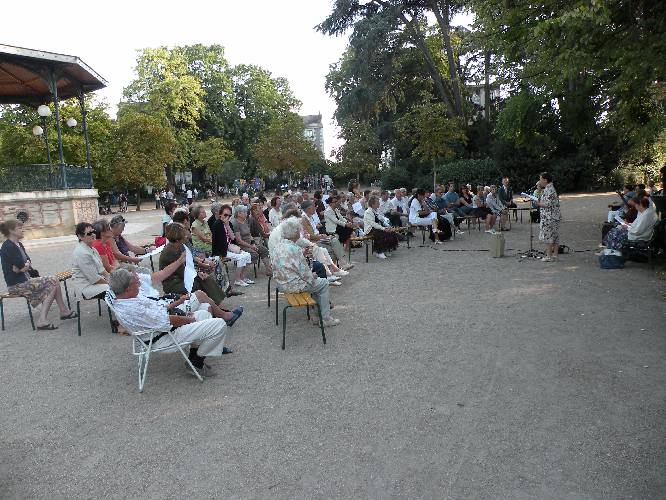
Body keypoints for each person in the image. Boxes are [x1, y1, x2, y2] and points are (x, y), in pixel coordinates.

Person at [108, 269, 236, 378]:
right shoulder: (132, 309)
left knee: (205, 312)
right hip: (162, 337)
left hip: (160, 330)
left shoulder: (124, 300)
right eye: (137, 283)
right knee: (219, 324)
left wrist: (180, 309)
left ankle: (195, 360)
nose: (139, 284)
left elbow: (160, 314)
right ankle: (197, 362)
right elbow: (166, 321)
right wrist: (189, 319)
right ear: (128, 288)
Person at [0, 220, 76, 330]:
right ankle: (42, 320)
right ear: (11, 231)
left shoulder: (19, 244)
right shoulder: (8, 246)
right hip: (17, 285)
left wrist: (24, 266)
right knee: (53, 283)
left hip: (25, 279)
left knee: (54, 279)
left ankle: (63, 311)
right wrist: (23, 266)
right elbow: (21, 266)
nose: (23, 230)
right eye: (20, 228)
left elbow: (25, 263)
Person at [272, 218, 340, 327]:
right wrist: (312, 276)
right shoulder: (295, 249)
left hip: (281, 284)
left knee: (316, 283)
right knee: (323, 283)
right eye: (299, 230)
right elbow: (305, 274)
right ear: (295, 233)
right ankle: (326, 318)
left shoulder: (278, 246)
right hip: (293, 286)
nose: (300, 233)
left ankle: (315, 315)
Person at [159, 222, 227, 304]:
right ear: (177, 239)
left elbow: (187, 264)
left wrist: (198, 273)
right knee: (200, 284)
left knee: (206, 278)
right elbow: (182, 271)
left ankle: (216, 304)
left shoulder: (179, 246)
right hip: (173, 283)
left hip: (181, 278)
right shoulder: (170, 251)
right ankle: (215, 306)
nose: (187, 236)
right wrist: (198, 275)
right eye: (184, 234)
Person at [213, 205, 254, 287]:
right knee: (241, 257)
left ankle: (243, 277)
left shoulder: (228, 224)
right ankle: (237, 280)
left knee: (248, 255)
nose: (227, 217)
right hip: (221, 250)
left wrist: (227, 225)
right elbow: (220, 242)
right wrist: (232, 249)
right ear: (220, 214)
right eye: (225, 215)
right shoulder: (217, 224)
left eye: (229, 215)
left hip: (229, 247)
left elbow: (233, 238)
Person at [72, 222, 109, 300]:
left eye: (93, 232)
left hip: (95, 283)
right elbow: (95, 279)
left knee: (119, 285)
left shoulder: (92, 248)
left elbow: (102, 270)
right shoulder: (81, 252)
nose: (93, 235)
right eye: (89, 233)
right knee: (113, 289)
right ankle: (122, 310)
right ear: (80, 237)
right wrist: (111, 284)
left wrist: (112, 279)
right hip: (85, 287)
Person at [230, 205, 272, 276]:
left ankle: (268, 269)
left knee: (263, 249)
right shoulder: (235, 223)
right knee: (254, 254)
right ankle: (241, 275)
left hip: (250, 244)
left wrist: (253, 244)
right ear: (239, 214)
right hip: (241, 246)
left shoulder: (244, 221)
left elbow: (250, 235)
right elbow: (239, 241)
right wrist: (251, 246)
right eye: (245, 212)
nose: (247, 214)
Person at [535, 172, 562, 262]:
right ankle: (555, 255)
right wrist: (538, 189)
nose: (539, 181)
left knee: (548, 236)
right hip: (554, 216)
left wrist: (538, 204)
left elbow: (547, 204)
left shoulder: (549, 189)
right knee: (555, 236)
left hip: (549, 217)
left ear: (545, 180)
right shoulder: (549, 188)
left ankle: (549, 256)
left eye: (540, 179)